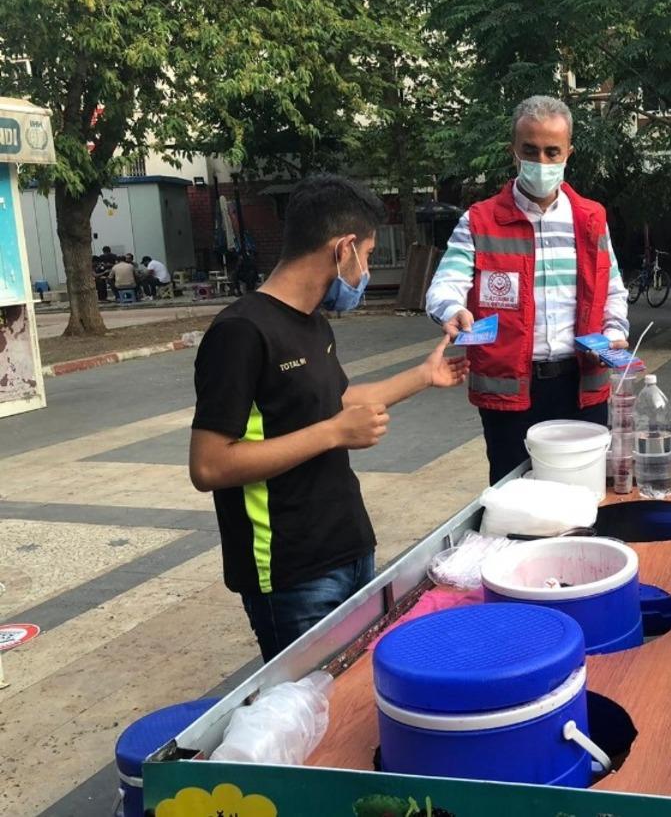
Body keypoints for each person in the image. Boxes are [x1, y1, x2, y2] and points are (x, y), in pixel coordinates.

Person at [189, 174, 468, 661]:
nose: (363, 273)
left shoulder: (312, 321)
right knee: (316, 714)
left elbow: (337, 401)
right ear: (344, 249)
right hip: (291, 572)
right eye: (368, 255)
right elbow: (209, 466)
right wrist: (333, 433)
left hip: (349, 546)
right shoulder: (239, 333)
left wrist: (425, 375)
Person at [425, 96, 629, 484]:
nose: (543, 162)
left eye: (553, 152)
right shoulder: (480, 221)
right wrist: (451, 308)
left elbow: (613, 290)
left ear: (569, 152)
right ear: (513, 152)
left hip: (582, 385)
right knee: (515, 498)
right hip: (510, 392)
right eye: (530, 150)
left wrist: (614, 334)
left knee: (583, 497)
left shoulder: (590, 219)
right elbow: (446, 283)